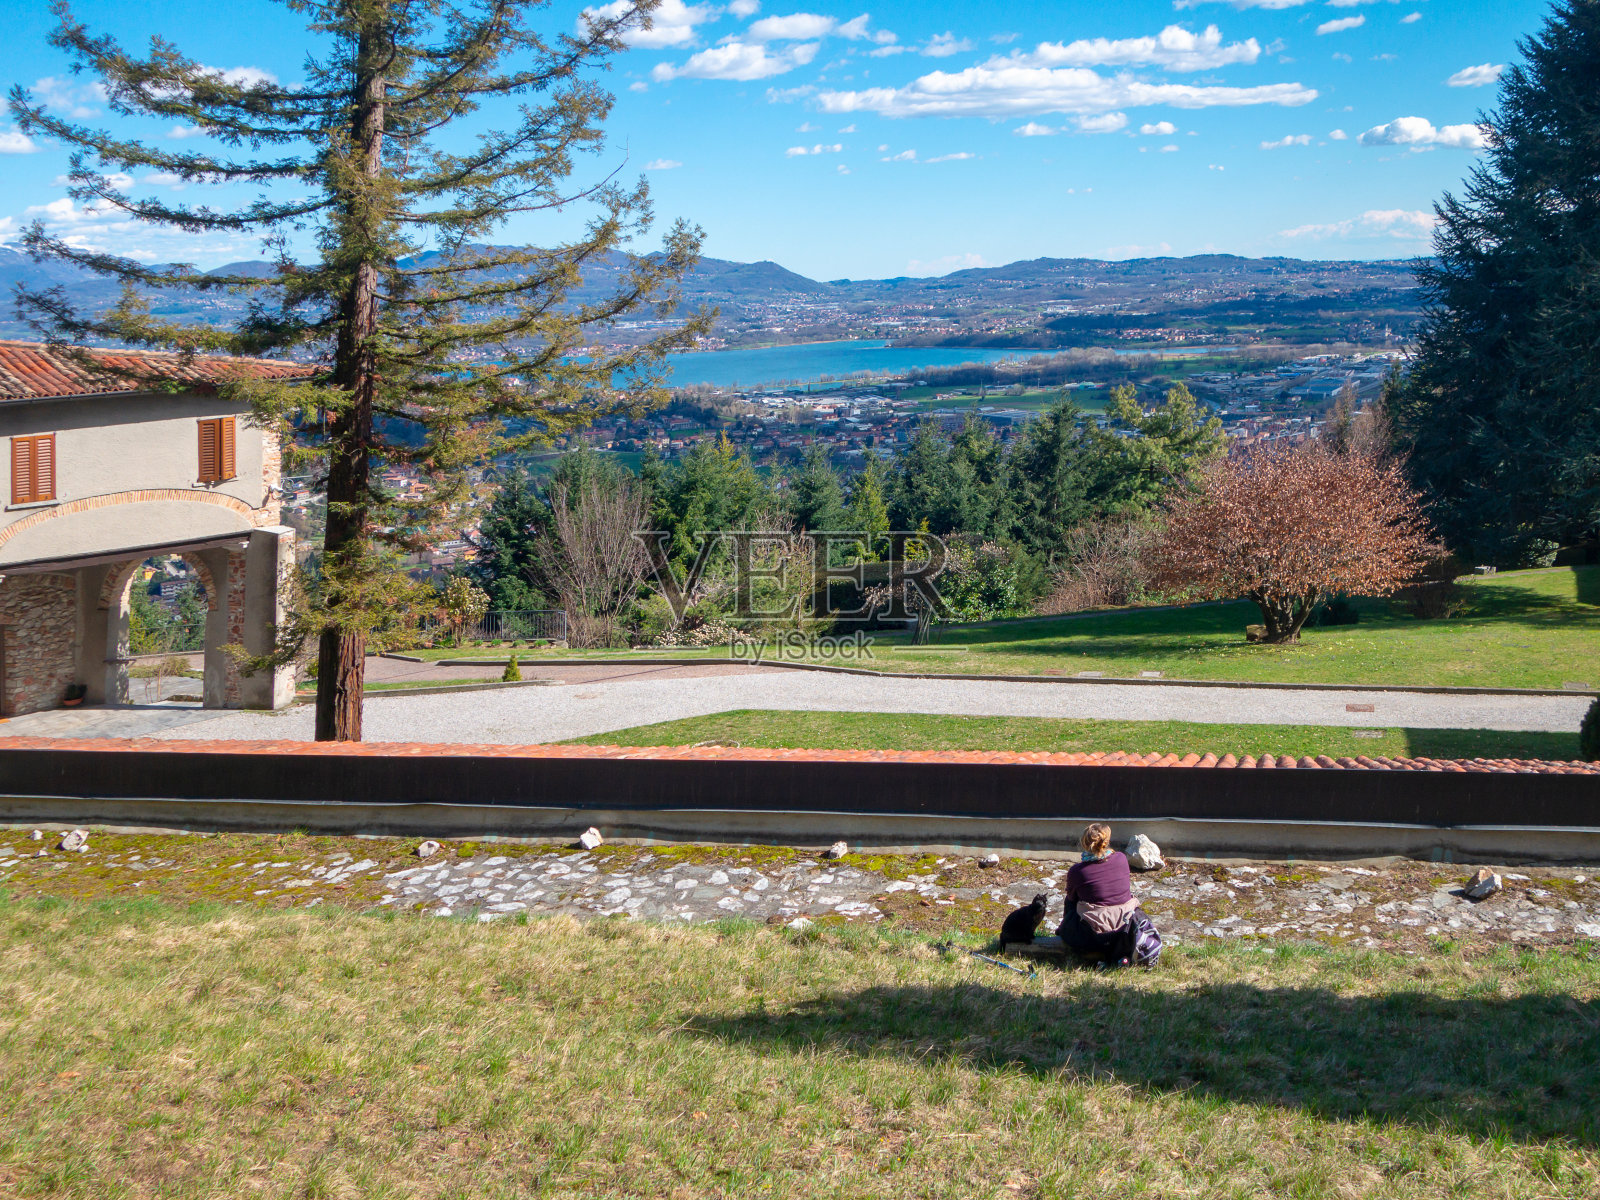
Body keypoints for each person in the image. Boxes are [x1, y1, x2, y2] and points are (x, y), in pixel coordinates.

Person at [1057, 823, 1139, 960]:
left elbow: (1071, 900)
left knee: (1071, 902)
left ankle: (1069, 933)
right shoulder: (1121, 858)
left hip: (1095, 934)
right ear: (1106, 842)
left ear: (1084, 843)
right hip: (1125, 927)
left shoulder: (1077, 871)